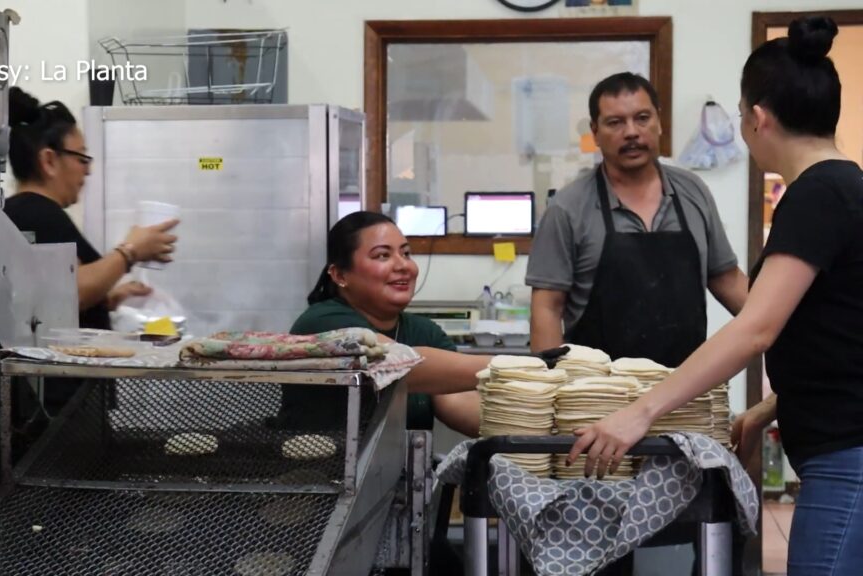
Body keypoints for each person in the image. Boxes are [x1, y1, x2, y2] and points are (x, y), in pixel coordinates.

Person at [569, 16, 863, 575]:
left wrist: (639, 413)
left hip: (847, 459)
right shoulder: (848, 186)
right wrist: (767, 409)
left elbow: (757, 326)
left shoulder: (815, 195)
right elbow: (843, 334)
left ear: (756, 118)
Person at [526, 72, 749, 367]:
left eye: (642, 118)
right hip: (597, 396)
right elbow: (547, 308)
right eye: (615, 122)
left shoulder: (693, 192)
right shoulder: (568, 208)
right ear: (595, 132)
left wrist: (786, 330)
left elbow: (727, 278)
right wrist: (549, 393)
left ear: (659, 121)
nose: (631, 132)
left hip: (684, 391)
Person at [285, 211, 486, 436]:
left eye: (406, 253)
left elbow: (459, 401)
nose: (404, 266)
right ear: (340, 275)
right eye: (382, 255)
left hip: (404, 470)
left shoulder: (423, 332)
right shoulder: (324, 322)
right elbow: (395, 364)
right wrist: (516, 365)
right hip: (321, 469)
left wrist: (524, 429)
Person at [4, 87, 178, 330]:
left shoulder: (26, 211)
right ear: (49, 161)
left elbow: (48, 299)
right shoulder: (36, 213)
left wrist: (107, 300)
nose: (88, 170)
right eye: (82, 158)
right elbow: (70, 291)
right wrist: (130, 252)